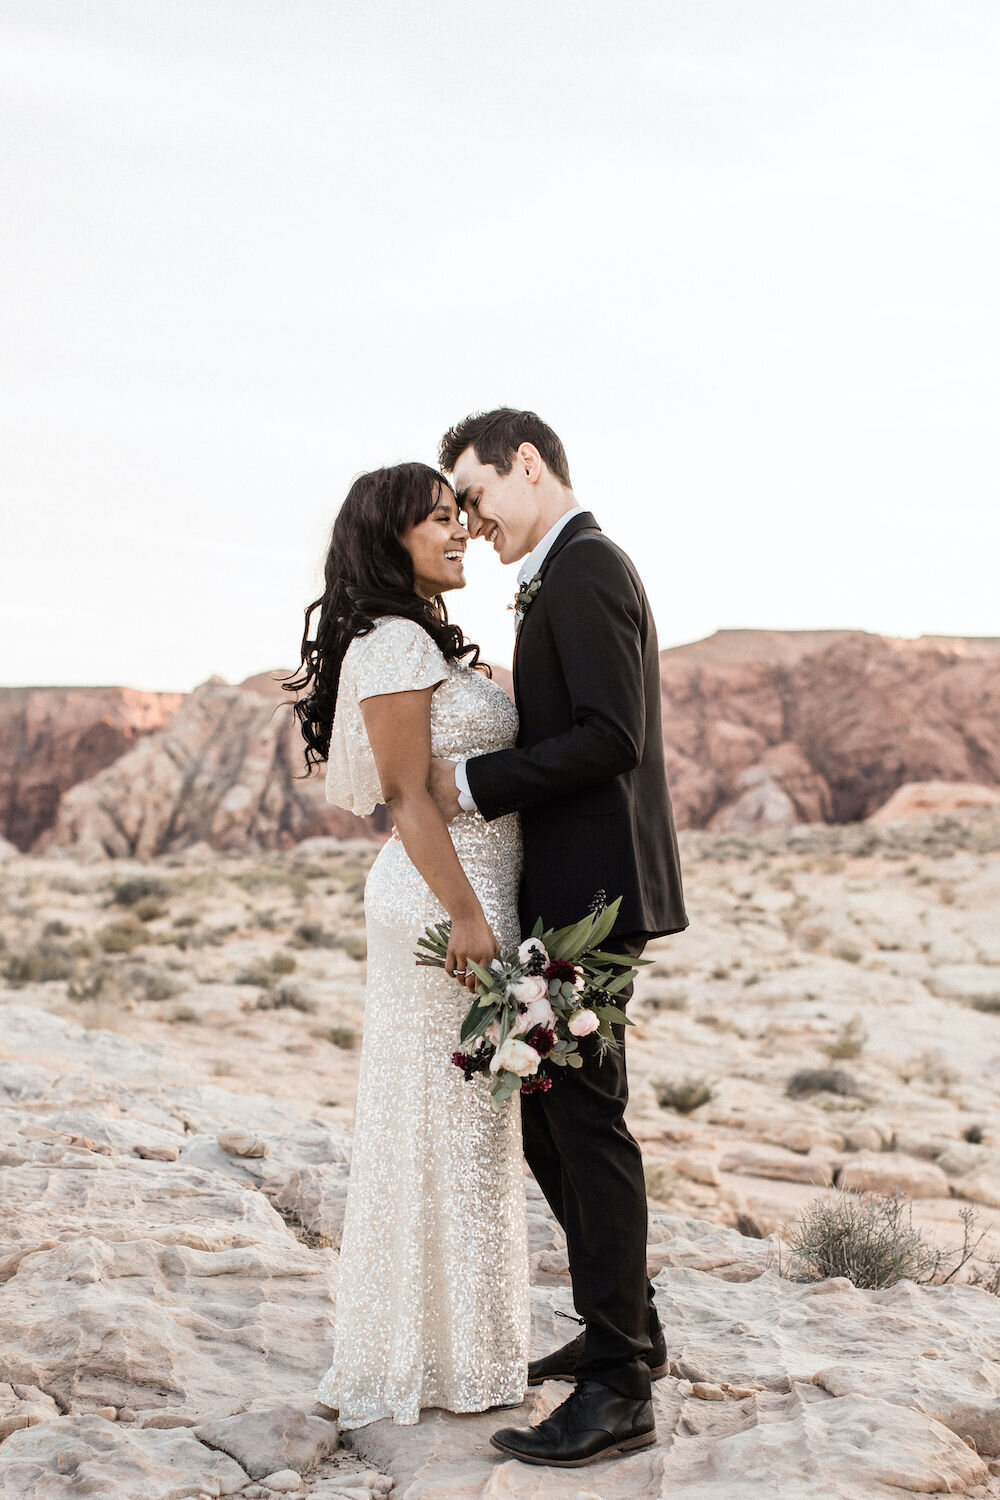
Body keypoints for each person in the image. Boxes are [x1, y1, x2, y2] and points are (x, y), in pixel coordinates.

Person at [431, 409, 688, 1468]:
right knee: (550, 1118)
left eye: (474, 493)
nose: (469, 518)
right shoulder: (564, 568)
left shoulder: (584, 568)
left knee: (583, 1122)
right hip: (571, 891)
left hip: (596, 896)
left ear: (526, 465)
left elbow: (610, 736)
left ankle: (620, 1383)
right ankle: (626, 1326)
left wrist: (473, 782)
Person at [286, 462, 530, 1429]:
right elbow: (407, 796)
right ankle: (427, 1360)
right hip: (441, 903)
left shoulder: (421, 639)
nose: (462, 528)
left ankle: (461, 1353)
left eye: (460, 513)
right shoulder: (390, 644)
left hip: (472, 893)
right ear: (391, 540)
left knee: (466, 1131)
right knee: (442, 1127)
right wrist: (469, 917)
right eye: (439, 519)